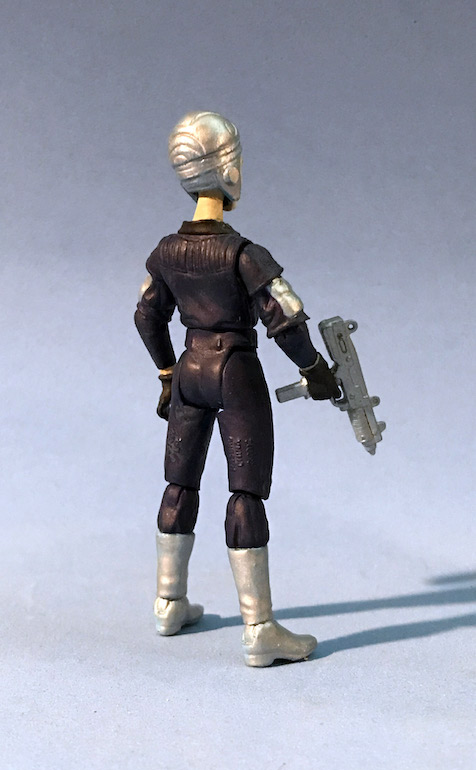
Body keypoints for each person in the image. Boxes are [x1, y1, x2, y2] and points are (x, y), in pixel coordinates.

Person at [135, 111, 339, 667]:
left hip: (189, 369)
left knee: (179, 483)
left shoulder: (165, 251)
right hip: (235, 372)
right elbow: (285, 321)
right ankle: (259, 628)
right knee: (245, 493)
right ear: (229, 170)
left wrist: (167, 374)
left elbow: (146, 315)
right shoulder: (244, 255)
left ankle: (168, 603)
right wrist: (316, 369)